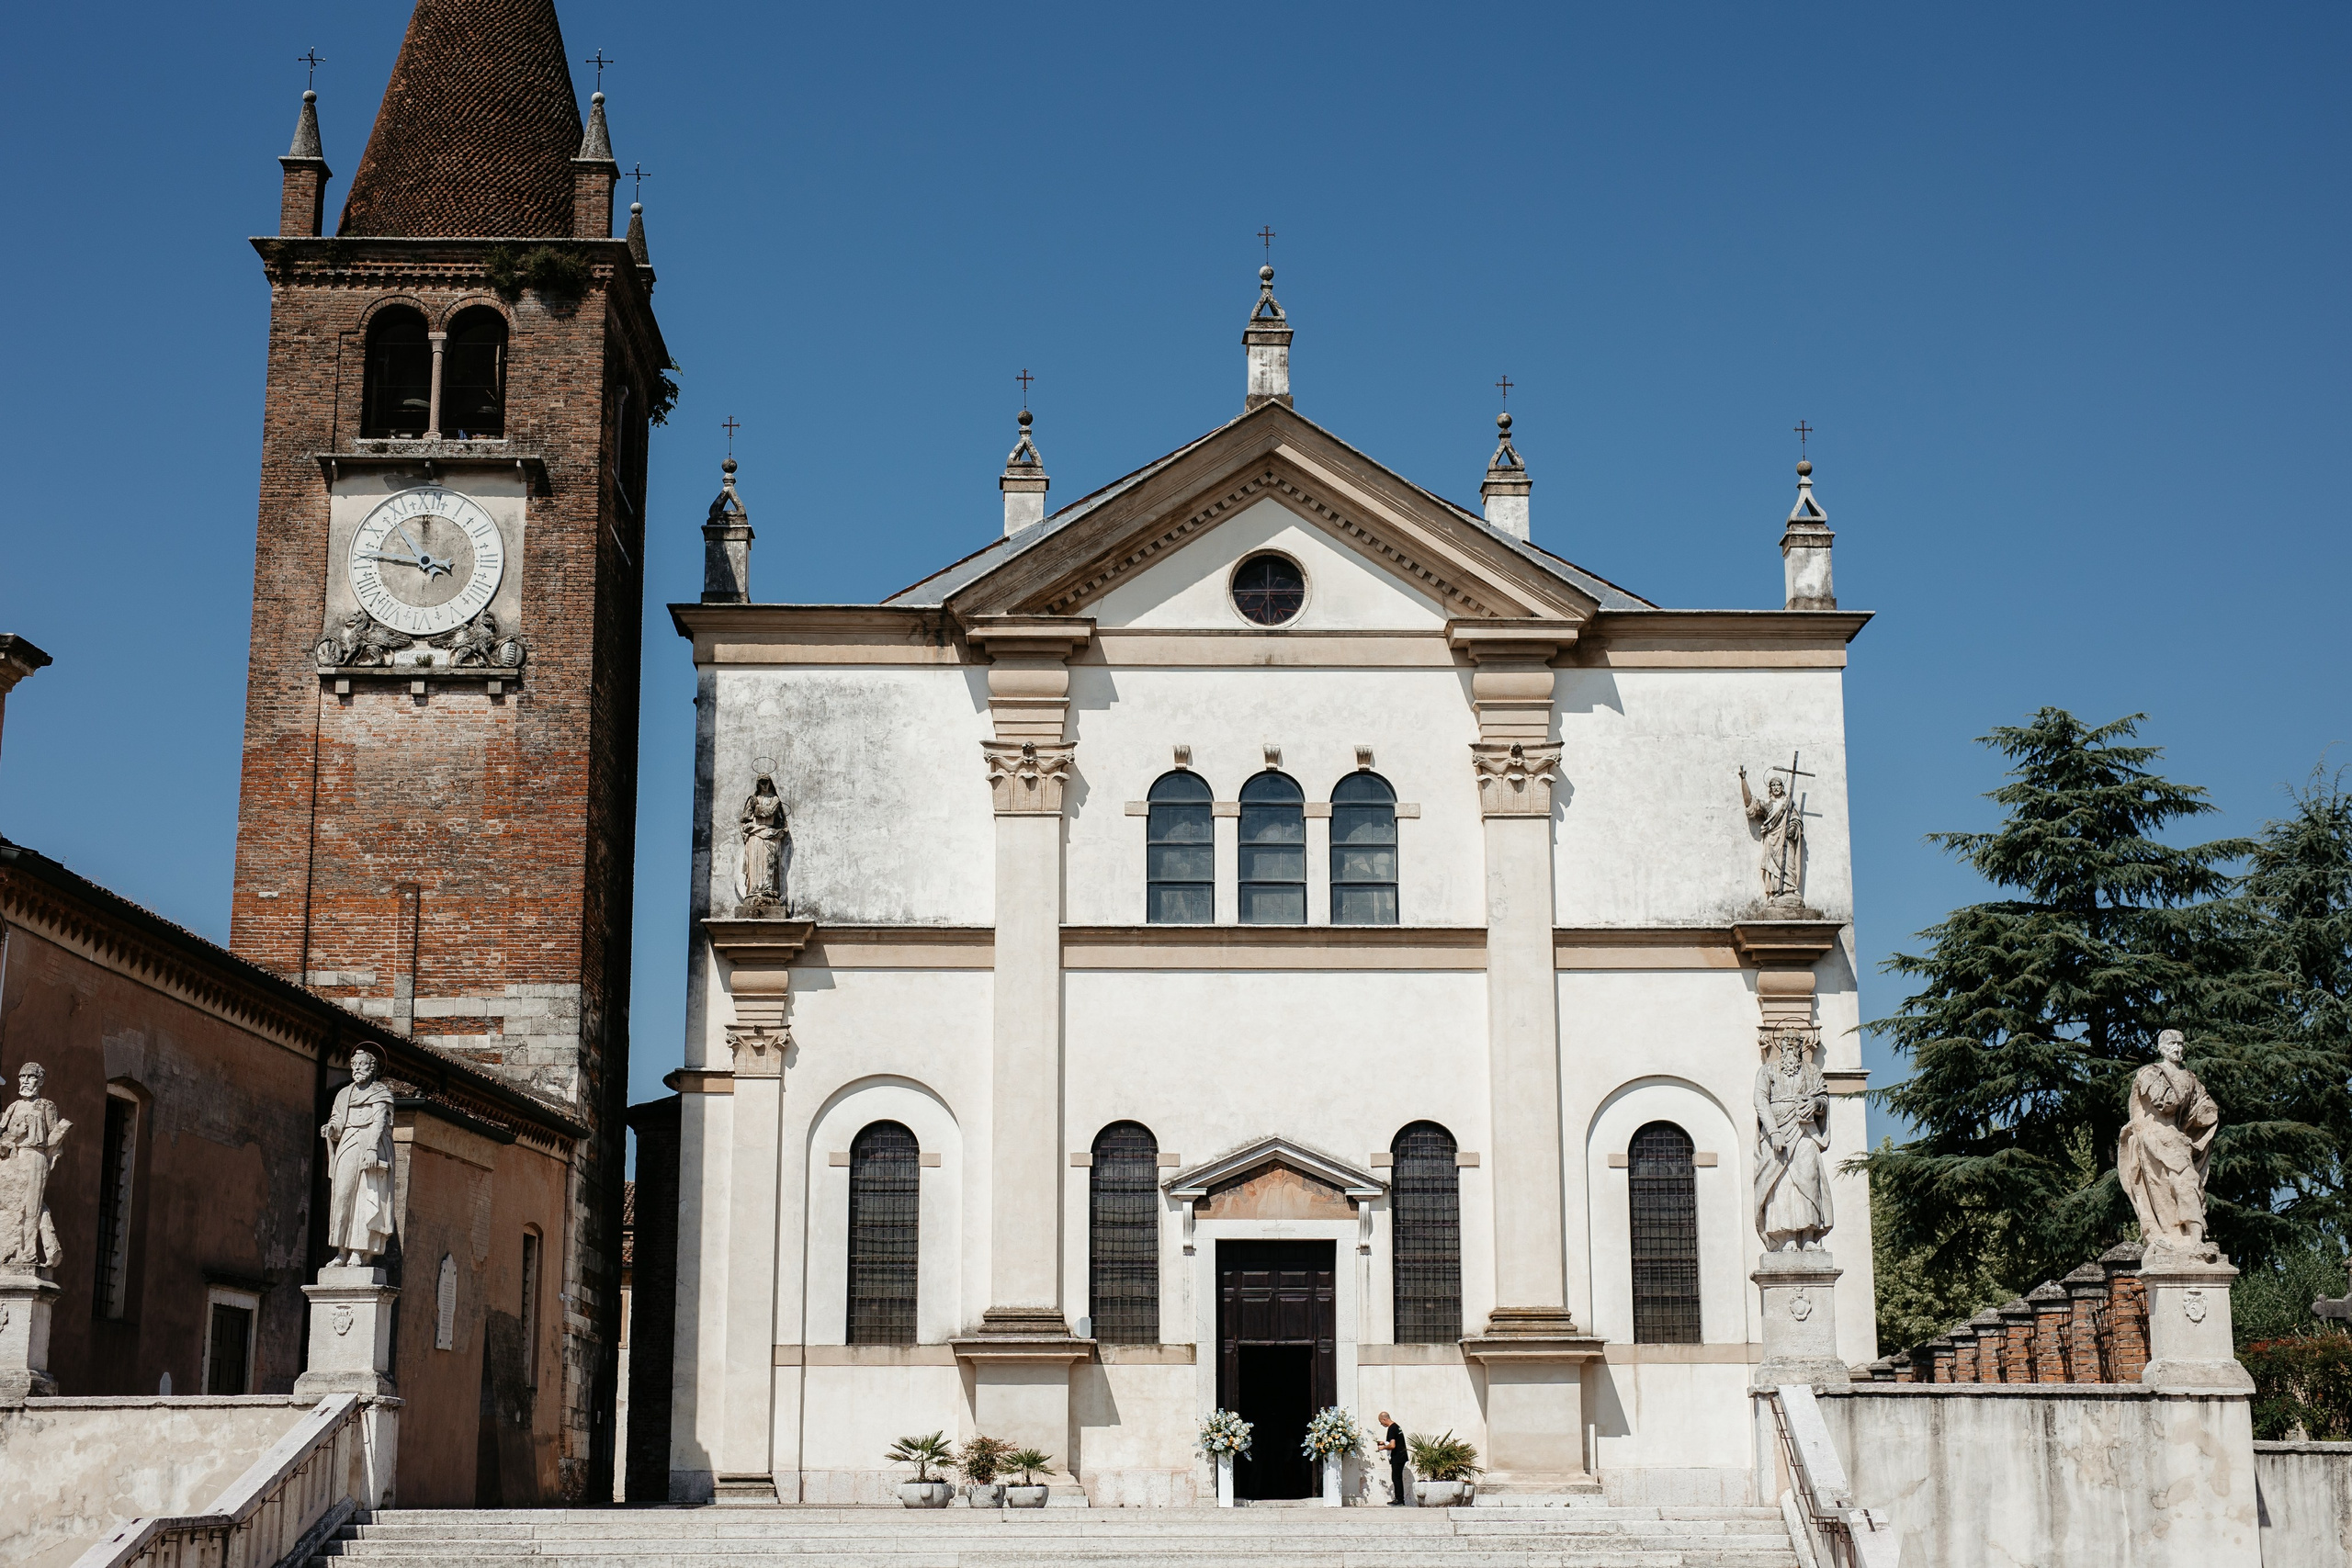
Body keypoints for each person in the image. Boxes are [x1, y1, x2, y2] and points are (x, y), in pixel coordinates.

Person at [1376, 1410, 1408, 1505]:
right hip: (1402, 1456)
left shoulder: (1391, 1428)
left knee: (1396, 1478)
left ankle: (1399, 1500)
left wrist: (1382, 1447)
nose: (1381, 1424)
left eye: (1381, 1422)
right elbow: (1394, 1442)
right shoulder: (1396, 1427)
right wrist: (1383, 1442)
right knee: (1397, 1477)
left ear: (1384, 1419)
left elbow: (1392, 1445)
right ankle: (1399, 1499)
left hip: (1397, 1457)